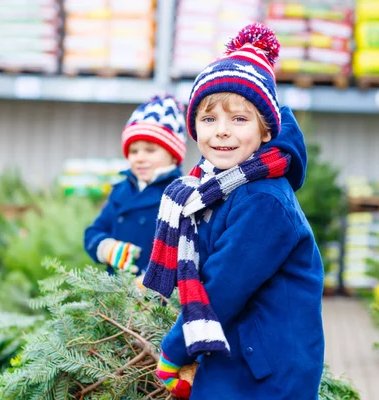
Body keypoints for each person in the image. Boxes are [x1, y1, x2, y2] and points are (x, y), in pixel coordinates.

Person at [143, 23, 325, 399]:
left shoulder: (264, 200)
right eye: (209, 120)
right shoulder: (214, 188)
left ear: (266, 132)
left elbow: (222, 286)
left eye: (239, 119)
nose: (222, 131)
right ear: (194, 128)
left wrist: (173, 350)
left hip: (268, 373)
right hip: (239, 355)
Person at [84, 94, 187, 280]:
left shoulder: (180, 195)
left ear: (173, 155)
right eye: (133, 151)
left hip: (156, 300)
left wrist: (151, 280)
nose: (139, 158)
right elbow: (94, 231)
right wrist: (107, 248)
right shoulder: (121, 191)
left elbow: (182, 251)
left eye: (150, 150)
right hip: (115, 295)